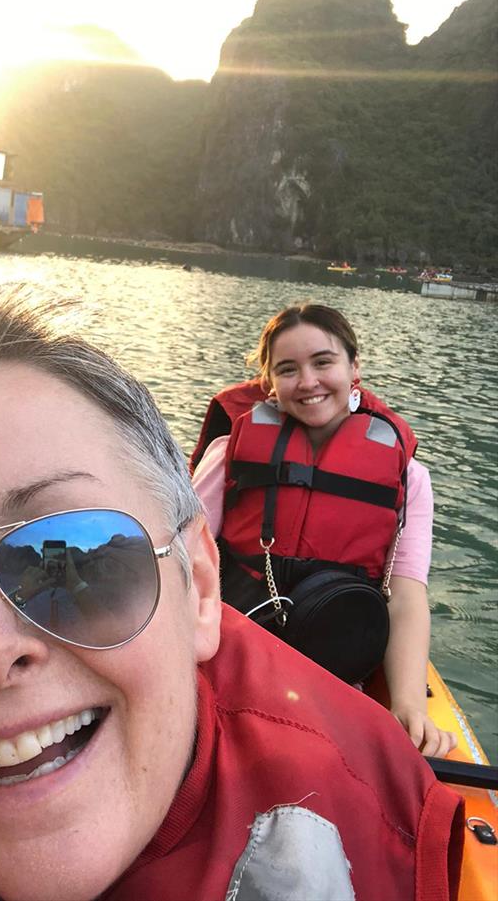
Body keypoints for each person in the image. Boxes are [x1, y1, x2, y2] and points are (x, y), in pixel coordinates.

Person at [0, 284, 462, 901]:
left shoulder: (395, 835)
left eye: (73, 563)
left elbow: (407, 587)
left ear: (197, 587)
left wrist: (405, 703)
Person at [191, 302, 457, 757]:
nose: (308, 382)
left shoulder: (408, 476)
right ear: (270, 383)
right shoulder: (230, 451)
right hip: (233, 657)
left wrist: (410, 703)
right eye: (288, 369)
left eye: (323, 362)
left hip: (334, 666)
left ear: (354, 366)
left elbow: (407, 594)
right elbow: (181, 557)